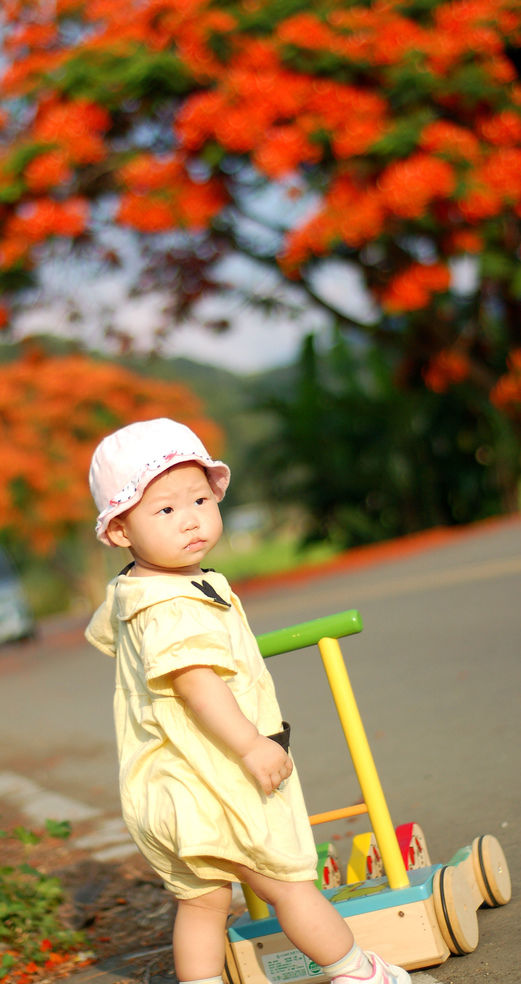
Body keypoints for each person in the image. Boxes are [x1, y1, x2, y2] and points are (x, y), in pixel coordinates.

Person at [85, 418, 410, 984]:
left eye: (200, 499)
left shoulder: (135, 590)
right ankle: (356, 972)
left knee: (203, 905)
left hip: (166, 787)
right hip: (216, 777)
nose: (190, 519)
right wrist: (251, 745)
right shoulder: (171, 604)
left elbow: (114, 637)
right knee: (287, 884)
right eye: (164, 510)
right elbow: (194, 680)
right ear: (119, 531)